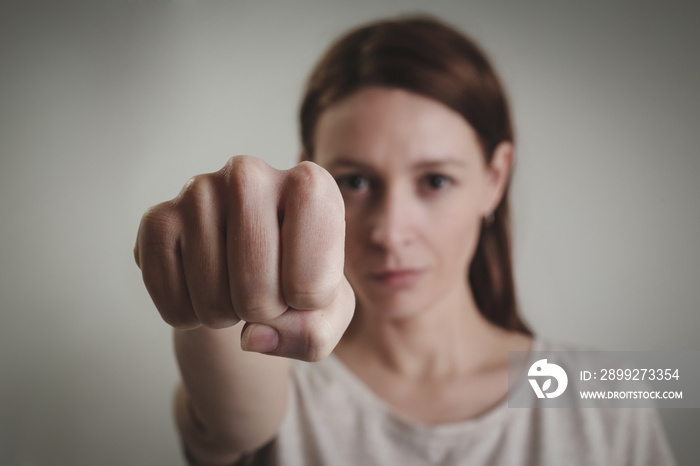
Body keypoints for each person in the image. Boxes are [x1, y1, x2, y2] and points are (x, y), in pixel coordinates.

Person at [134, 15, 675, 466]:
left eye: (435, 181)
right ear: (310, 178)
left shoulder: (615, 386)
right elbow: (231, 418)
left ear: (495, 178)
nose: (390, 233)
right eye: (355, 181)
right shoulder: (279, 380)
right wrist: (223, 280)